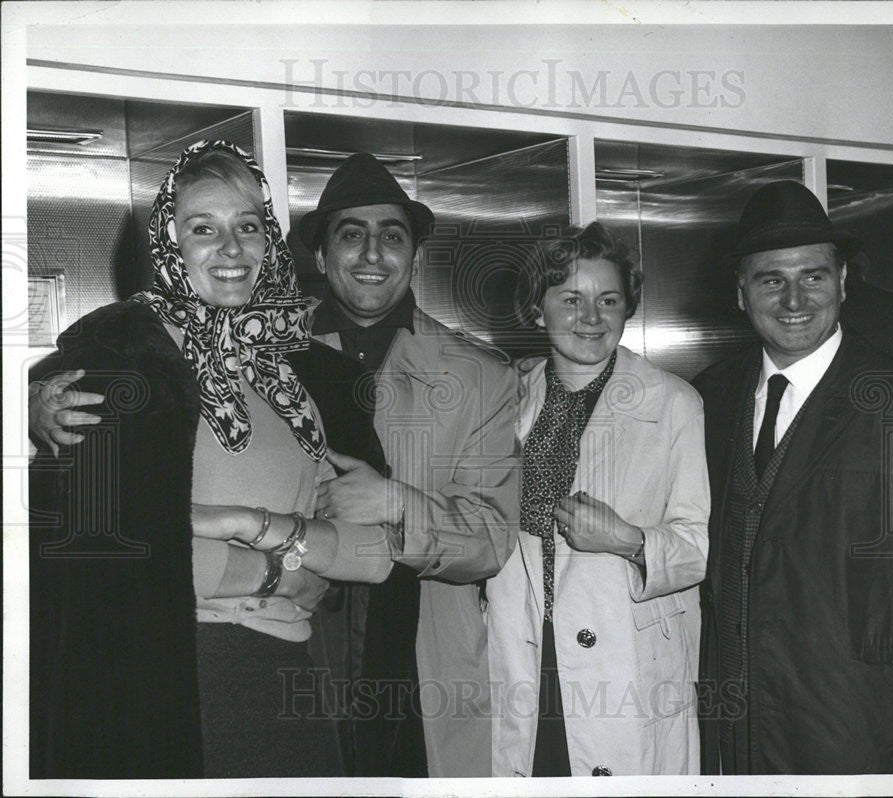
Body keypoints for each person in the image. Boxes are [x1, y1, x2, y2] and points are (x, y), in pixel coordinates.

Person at [28, 140, 390, 778]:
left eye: (248, 226)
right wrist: (276, 573)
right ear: (168, 242)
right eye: (203, 229)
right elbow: (113, 554)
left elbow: (374, 554)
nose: (230, 248)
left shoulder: (311, 374)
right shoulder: (122, 359)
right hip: (170, 678)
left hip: (292, 681)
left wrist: (241, 522)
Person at [694, 180, 893, 774]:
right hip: (736, 727)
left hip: (861, 723)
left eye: (814, 276)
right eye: (771, 278)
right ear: (741, 293)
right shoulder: (709, 395)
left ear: (844, 282)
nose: (794, 298)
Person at [298, 153, 519, 777]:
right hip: (294, 641)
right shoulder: (265, 361)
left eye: (391, 237)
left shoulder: (478, 375)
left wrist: (395, 503)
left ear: (414, 258)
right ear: (321, 256)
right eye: (351, 235)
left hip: (422, 670)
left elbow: (492, 539)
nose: (372, 254)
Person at [487, 222, 709, 776]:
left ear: (627, 308)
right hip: (526, 657)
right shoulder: (506, 395)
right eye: (570, 299)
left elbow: (697, 546)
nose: (591, 317)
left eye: (608, 299)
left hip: (624, 663)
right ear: (537, 311)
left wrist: (628, 541)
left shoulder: (674, 403)